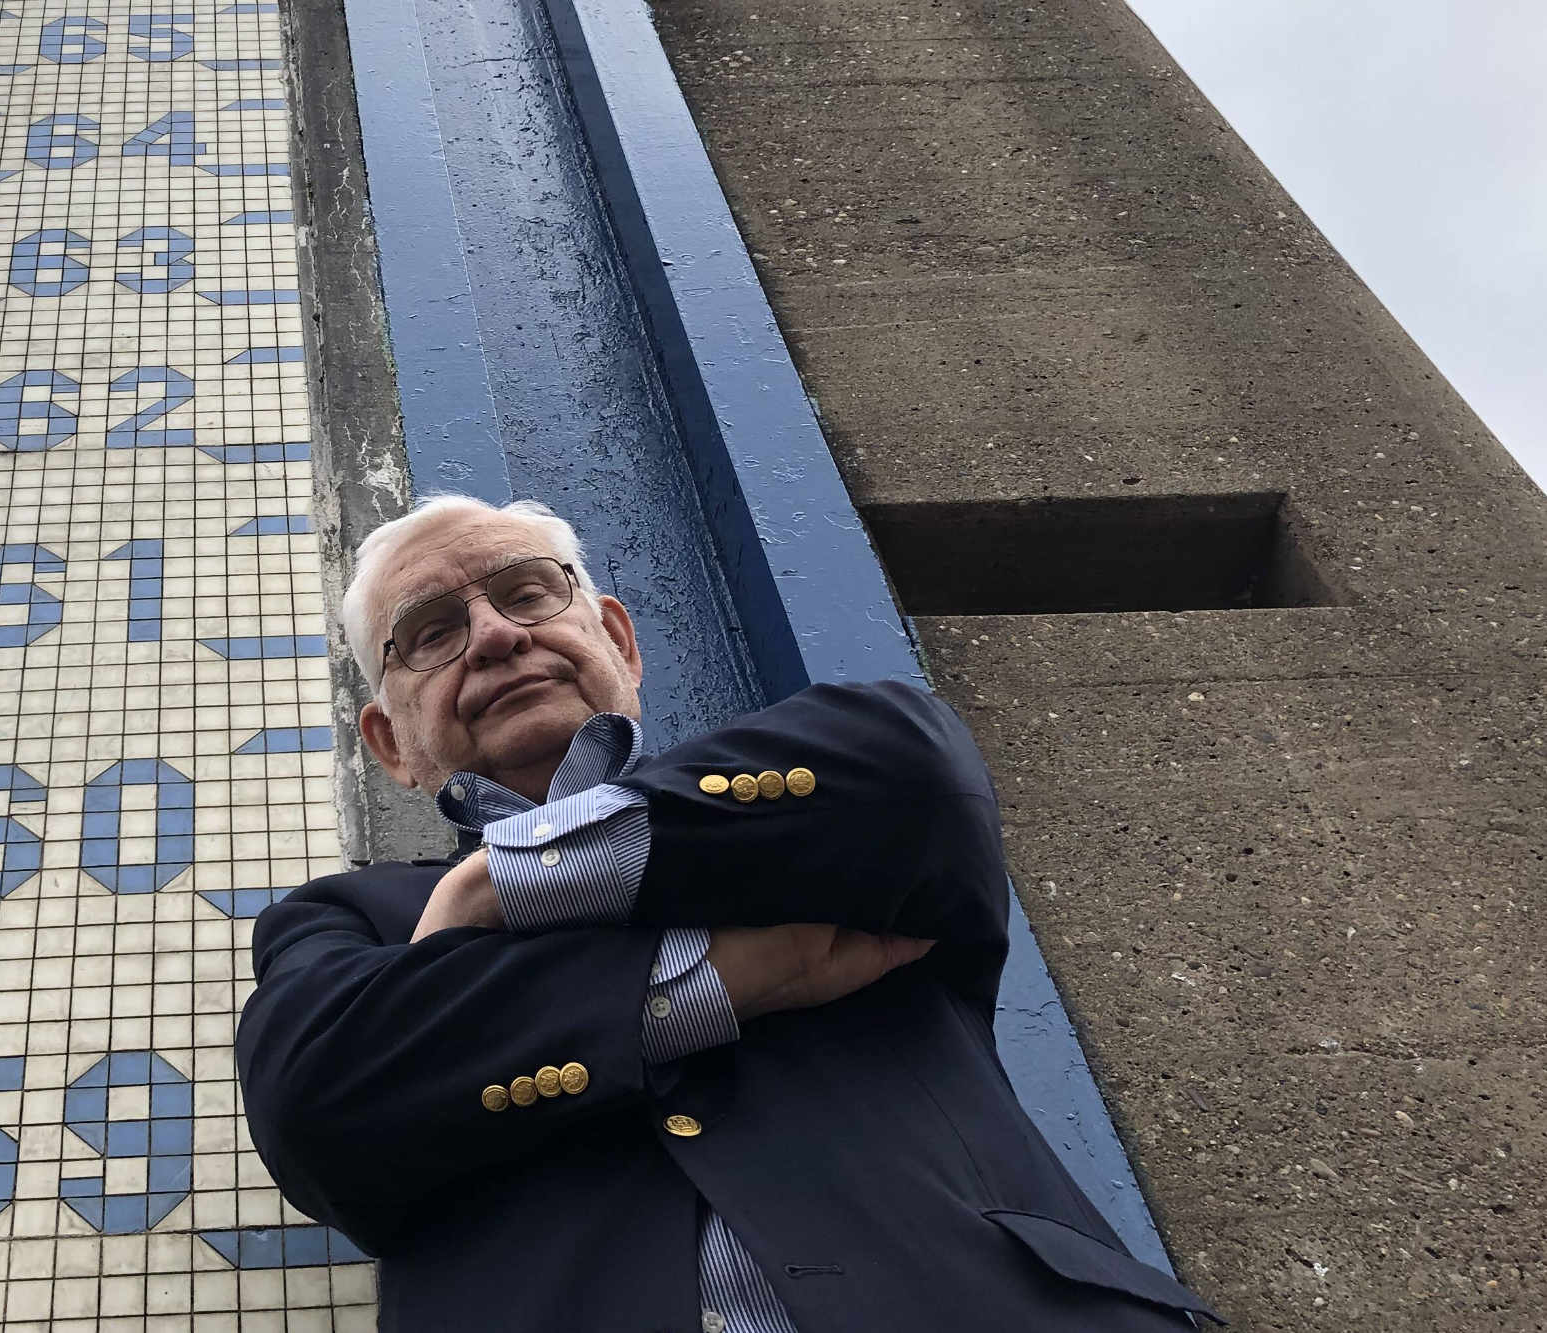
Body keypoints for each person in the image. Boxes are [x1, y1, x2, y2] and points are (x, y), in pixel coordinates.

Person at [236, 495, 1219, 1333]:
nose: (496, 634)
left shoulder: (822, 784)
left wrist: (493, 888)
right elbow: (314, 1105)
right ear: (390, 743)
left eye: (527, 591)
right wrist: (710, 977)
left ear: (619, 640)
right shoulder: (343, 921)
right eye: (431, 631)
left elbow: (919, 776)